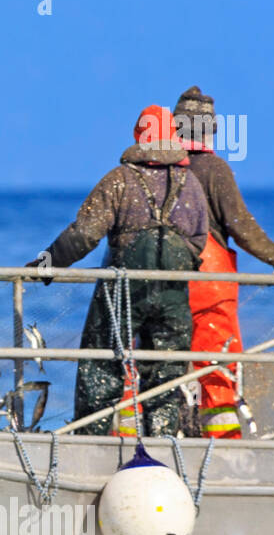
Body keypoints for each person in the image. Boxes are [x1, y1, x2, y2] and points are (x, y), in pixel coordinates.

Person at [28, 105, 208, 436]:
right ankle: (163, 449)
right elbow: (200, 239)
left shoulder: (120, 180)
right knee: (166, 376)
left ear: (139, 135)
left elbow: (83, 235)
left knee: (102, 365)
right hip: (172, 293)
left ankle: (89, 444)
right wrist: (178, 263)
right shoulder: (192, 183)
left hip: (123, 292)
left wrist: (44, 265)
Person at [171, 86, 274, 438]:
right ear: (210, 130)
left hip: (163, 283)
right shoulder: (214, 170)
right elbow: (241, 226)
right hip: (207, 285)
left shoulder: (158, 172)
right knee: (216, 366)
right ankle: (222, 446)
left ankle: (152, 437)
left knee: (158, 364)